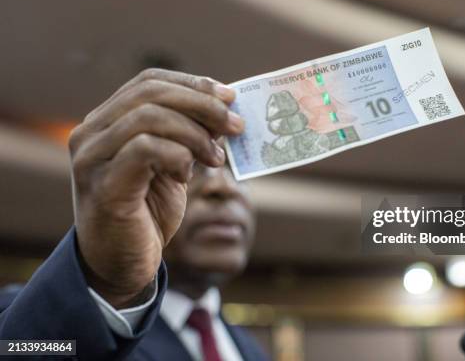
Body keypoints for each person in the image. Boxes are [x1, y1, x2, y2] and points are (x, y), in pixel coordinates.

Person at [0, 69, 270, 360]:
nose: (222, 187)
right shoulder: (30, 318)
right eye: (194, 165)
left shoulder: (251, 350)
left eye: (236, 168)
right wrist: (107, 286)